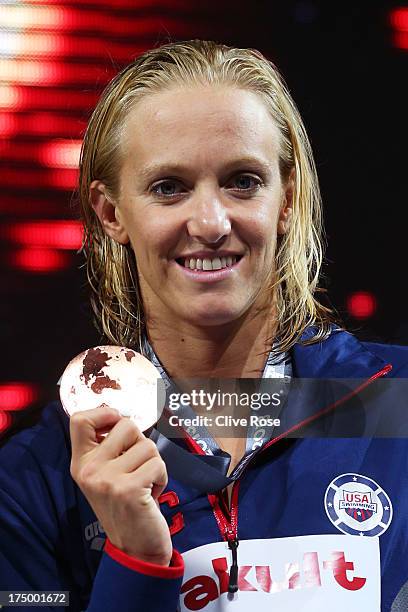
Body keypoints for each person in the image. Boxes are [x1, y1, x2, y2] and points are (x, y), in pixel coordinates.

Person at [0, 39, 407, 612]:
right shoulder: (33, 483)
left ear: (286, 199)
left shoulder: (397, 405)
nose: (211, 223)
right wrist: (135, 565)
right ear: (112, 213)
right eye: (169, 187)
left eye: (243, 181)